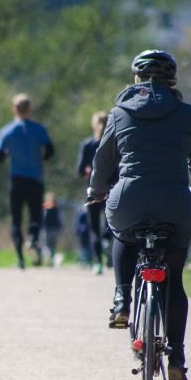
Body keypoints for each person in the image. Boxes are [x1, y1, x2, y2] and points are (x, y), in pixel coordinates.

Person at [88, 50, 191, 380]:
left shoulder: (119, 112)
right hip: (175, 204)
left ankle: (122, 300)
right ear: (172, 81)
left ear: (136, 79)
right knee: (174, 280)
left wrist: (96, 191)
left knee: (122, 233)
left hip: (129, 200)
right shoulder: (185, 112)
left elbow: (102, 161)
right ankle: (176, 360)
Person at [0, 93, 55, 269]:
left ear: (14, 109)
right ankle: (34, 238)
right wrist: (41, 158)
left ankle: (20, 260)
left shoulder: (7, 131)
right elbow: (50, 150)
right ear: (29, 109)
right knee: (36, 215)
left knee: (16, 219)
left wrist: (8, 153)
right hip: (35, 178)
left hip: (16, 179)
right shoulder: (39, 129)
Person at [76, 111, 112, 275]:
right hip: (112, 190)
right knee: (111, 223)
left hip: (93, 191)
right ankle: (108, 245)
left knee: (94, 229)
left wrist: (87, 170)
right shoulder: (113, 143)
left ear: (93, 125)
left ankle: (97, 262)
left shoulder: (88, 144)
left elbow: (80, 170)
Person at [41, 192, 63, 266]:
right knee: (51, 246)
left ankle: (50, 259)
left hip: (48, 229)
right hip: (52, 229)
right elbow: (58, 219)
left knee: (47, 245)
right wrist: (60, 226)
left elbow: (43, 219)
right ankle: (51, 259)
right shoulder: (55, 207)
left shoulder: (45, 207)